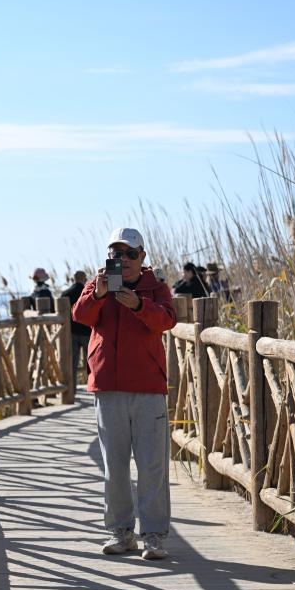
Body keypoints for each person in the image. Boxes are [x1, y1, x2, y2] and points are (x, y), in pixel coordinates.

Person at [72, 227, 177, 560]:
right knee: (113, 467)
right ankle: (120, 532)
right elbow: (80, 316)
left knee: (152, 467)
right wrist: (98, 294)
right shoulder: (97, 284)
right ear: (109, 257)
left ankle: (154, 536)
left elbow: (167, 321)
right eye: (116, 253)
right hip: (108, 387)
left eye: (130, 253)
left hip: (148, 388)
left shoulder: (156, 288)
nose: (123, 260)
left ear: (142, 256)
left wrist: (138, 305)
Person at [61, 270, 91, 382]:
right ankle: (92, 387)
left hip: (71, 332)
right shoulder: (87, 292)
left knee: (72, 363)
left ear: (73, 279)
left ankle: (71, 390)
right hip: (87, 332)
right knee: (91, 362)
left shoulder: (65, 294)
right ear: (85, 279)